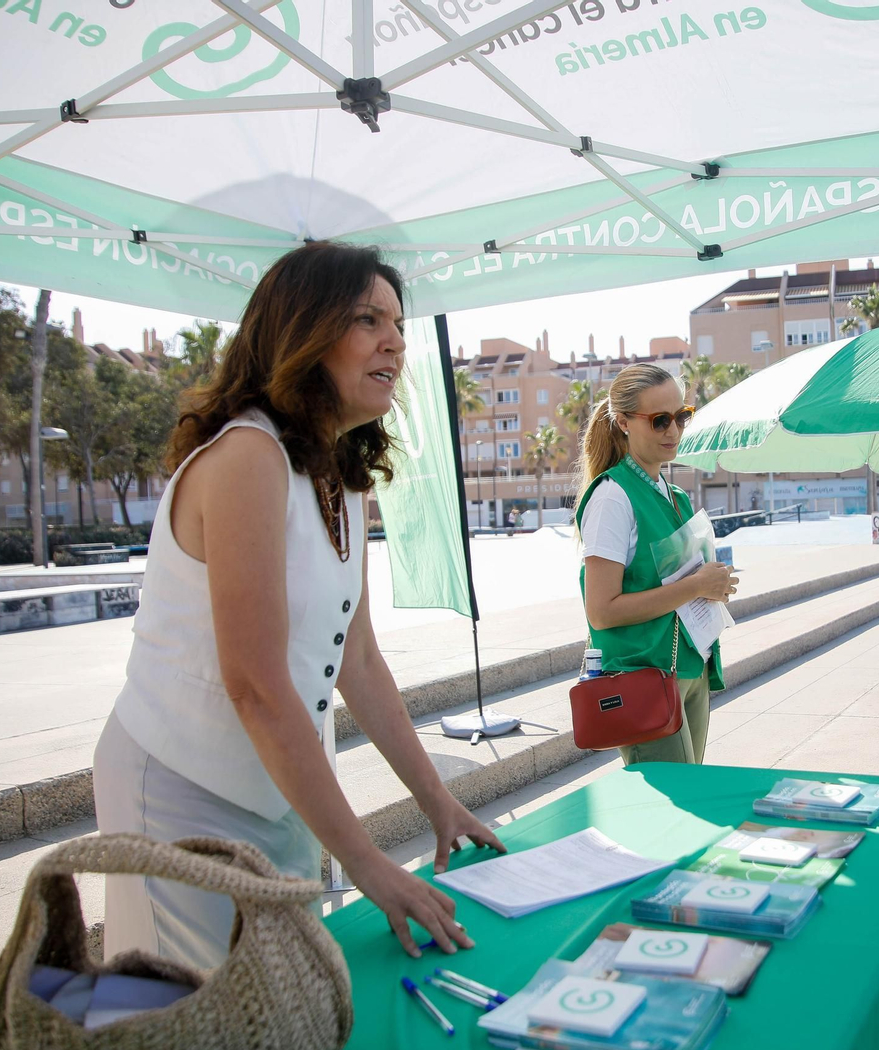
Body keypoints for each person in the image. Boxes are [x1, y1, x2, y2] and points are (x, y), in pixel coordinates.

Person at [93, 242, 503, 969]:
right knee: (199, 1016)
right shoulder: (247, 456)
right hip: (180, 787)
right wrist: (372, 866)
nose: (396, 343)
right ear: (303, 332)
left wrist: (436, 799)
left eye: (399, 325)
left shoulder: (344, 472)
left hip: (277, 788)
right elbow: (252, 682)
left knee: (281, 1005)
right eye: (367, 319)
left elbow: (360, 658)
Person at [575, 363, 737, 764]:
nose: (674, 431)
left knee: (689, 802)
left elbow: (680, 586)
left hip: (688, 669)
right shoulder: (613, 498)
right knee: (670, 812)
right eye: (659, 420)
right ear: (624, 422)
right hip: (644, 679)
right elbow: (601, 611)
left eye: (682, 417)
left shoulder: (675, 496)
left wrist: (713, 585)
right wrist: (697, 586)